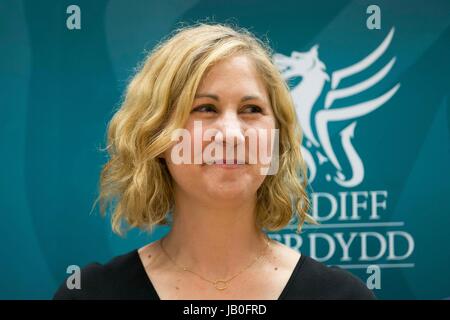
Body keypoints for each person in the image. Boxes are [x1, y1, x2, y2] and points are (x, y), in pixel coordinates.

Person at [53, 22, 376, 300]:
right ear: (157, 137)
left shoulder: (342, 295)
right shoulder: (91, 293)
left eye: (252, 109)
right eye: (205, 108)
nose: (232, 134)